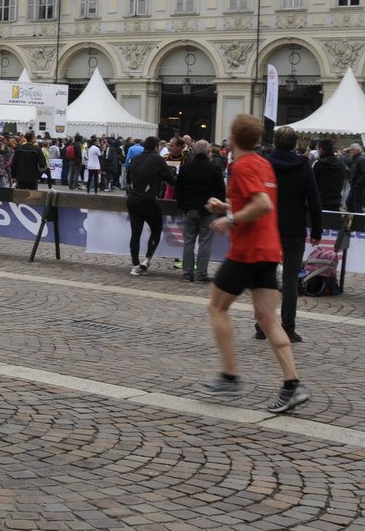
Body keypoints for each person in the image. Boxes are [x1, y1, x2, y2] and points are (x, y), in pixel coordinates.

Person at [200, 114, 308, 413]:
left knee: (217, 308)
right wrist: (226, 206)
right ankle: (292, 384)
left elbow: (262, 204)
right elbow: (257, 200)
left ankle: (230, 376)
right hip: (269, 250)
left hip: (247, 252)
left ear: (232, 138)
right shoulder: (263, 164)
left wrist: (228, 219)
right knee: (267, 319)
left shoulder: (244, 166)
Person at [261, 126, 323, 344]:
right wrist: (317, 230)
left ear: (276, 142)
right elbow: (314, 200)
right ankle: (288, 327)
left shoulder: (265, 162)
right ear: (296, 144)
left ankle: (262, 325)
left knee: (266, 277)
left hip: (268, 225)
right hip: (295, 227)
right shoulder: (304, 165)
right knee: (289, 279)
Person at [174, 139, 225, 283]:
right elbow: (221, 191)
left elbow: (178, 190)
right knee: (205, 242)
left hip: (189, 209)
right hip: (207, 211)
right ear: (208, 152)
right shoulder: (214, 169)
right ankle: (201, 273)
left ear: (195, 151)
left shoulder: (185, 168)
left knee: (188, 242)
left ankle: (187, 272)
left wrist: (183, 206)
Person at [125, 135, 175, 276]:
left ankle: (135, 264)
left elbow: (128, 178)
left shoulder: (135, 159)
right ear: (156, 147)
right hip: (147, 200)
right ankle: (147, 259)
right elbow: (170, 178)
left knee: (135, 233)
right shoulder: (158, 159)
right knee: (156, 229)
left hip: (132, 200)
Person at [312, 138, 347, 213]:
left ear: (321, 149)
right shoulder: (341, 165)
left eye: (317, 149)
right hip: (336, 202)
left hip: (320, 202)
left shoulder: (319, 164)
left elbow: (312, 183)